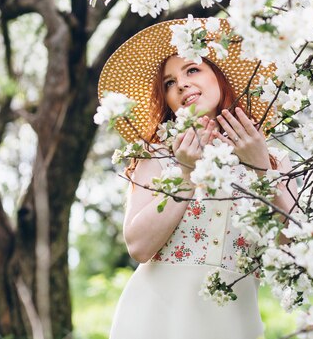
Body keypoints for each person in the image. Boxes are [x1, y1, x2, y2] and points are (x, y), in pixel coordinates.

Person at [97, 18, 297, 339]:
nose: (180, 84)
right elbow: (138, 246)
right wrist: (187, 178)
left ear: (219, 75)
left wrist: (262, 170)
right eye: (168, 83)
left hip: (234, 324)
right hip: (154, 319)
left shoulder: (273, 158)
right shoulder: (157, 155)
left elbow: (296, 246)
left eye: (192, 70)